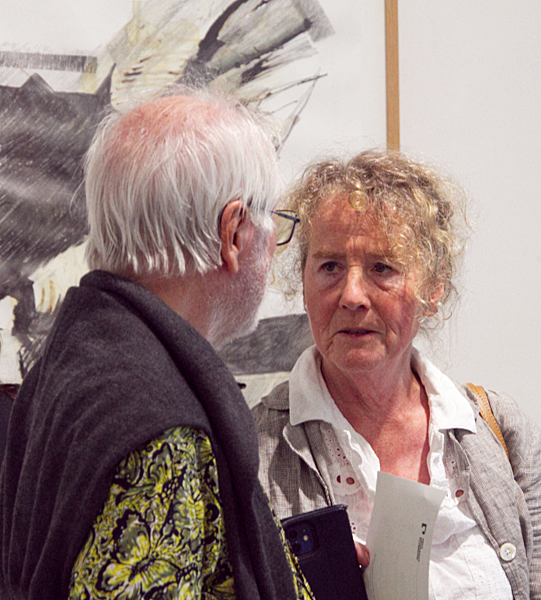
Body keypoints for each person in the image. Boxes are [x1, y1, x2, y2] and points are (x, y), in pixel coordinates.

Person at [0, 91, 313, 600]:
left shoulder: (77, 362)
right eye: (273, 223)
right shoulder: (163, 426)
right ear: (232, 233)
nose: (272, 248)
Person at [254, 150, 541, 599]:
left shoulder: (500, 431)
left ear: (434, 287)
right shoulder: (253, 450)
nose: (352, 295)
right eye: (329, 267)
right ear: (304, 283)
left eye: (382, 268)